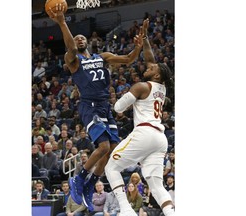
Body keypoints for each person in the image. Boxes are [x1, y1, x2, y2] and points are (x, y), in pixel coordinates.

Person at [47, 4, 143, 211]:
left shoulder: (103, 57)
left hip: (104, 106)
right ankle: (79, 179)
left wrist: (138, 46)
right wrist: (63, 22)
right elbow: (70, 48)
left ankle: (91, 182)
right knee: (104, 147)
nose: (79, 40)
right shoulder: (73, 60)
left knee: (109, 152)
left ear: (88, 42)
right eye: (77, 38)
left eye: (82, 38)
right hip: (89, 105)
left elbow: (128, 59)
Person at [104, 19, 175, 216]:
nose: (148, 67)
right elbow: (150, 59)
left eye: (152, 69)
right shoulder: (161, 87)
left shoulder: (141, 86)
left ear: (157, 75)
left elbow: (118, 107)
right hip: (160, 139)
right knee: (156, 184)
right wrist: (144, 40)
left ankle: (126, 210)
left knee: (111, 167)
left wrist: (128, 95)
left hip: (144, 133)